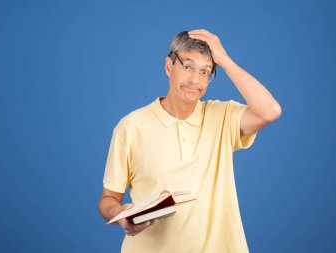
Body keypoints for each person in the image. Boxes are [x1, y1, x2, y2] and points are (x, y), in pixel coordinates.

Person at [99, 29, 282, 252]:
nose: (195, 80)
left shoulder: (222, 116)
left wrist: (225, 61)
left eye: (205, 72)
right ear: (169, 66)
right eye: (187, 67)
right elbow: (108, 198)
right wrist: (121, 214)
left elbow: (270, 111)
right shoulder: (130, 126)